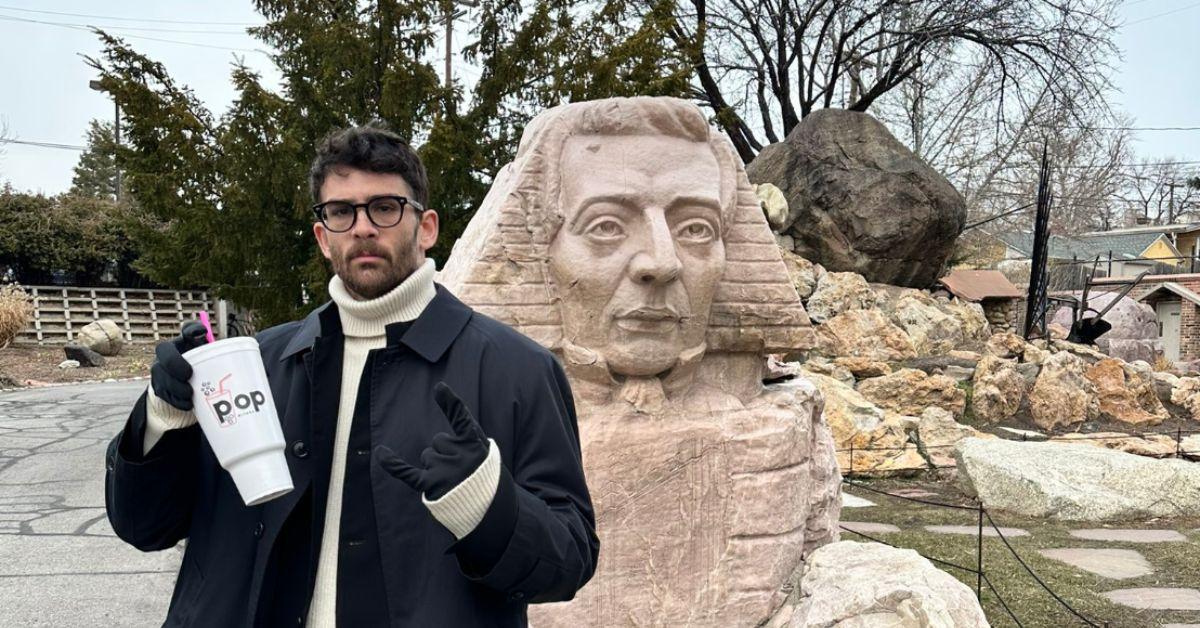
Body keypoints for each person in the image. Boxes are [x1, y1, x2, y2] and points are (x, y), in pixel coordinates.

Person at [103, 123, 599, 627]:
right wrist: (165, 418)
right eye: (341, 212)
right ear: (323, 236)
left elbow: (569, 563)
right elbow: (144, 527)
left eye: (384, 208)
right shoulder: (254, 367)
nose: (362, 228)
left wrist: (487, 502)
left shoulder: (517, 369)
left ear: (426, 227)